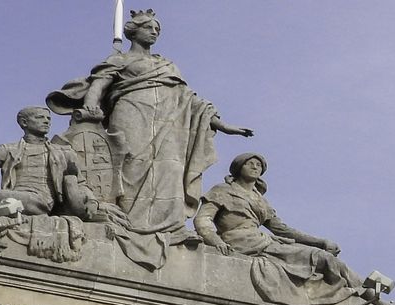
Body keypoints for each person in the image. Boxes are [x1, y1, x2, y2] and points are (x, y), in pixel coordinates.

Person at [47, 10, 253, 268]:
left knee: (170, 170)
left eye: (157, 29)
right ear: (134, 31)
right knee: (132, 165)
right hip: (132, 112)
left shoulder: (168, 66)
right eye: (149, 27)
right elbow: (98, 86)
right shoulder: (120, 59)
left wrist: (223, 125)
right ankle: (126, 221)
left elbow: (191, 100)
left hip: (170, 120)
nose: (154, 32)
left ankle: (173, 228)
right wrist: (89, 109)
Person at [195, 153, 395, 305]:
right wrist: (214, 240)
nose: (255, 167)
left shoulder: (260, 200)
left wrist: (320, 242)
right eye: (250, 163)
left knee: (325, 258)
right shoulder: (222, 191)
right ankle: (373, 298)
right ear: (238, 167)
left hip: (265, 241)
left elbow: (282, 229)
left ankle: (376, 299)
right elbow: (203, 219)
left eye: (259, 165)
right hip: (241, 241)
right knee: (320, 259)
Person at [0, 106, 109, 220]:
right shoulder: (9, 149)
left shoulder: (63, 152)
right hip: (9, 200)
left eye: (48, 118)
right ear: (24, 122)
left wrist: (92, 202)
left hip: (39, 202)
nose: (47, 121)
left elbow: (80, 183)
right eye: (40, 117)